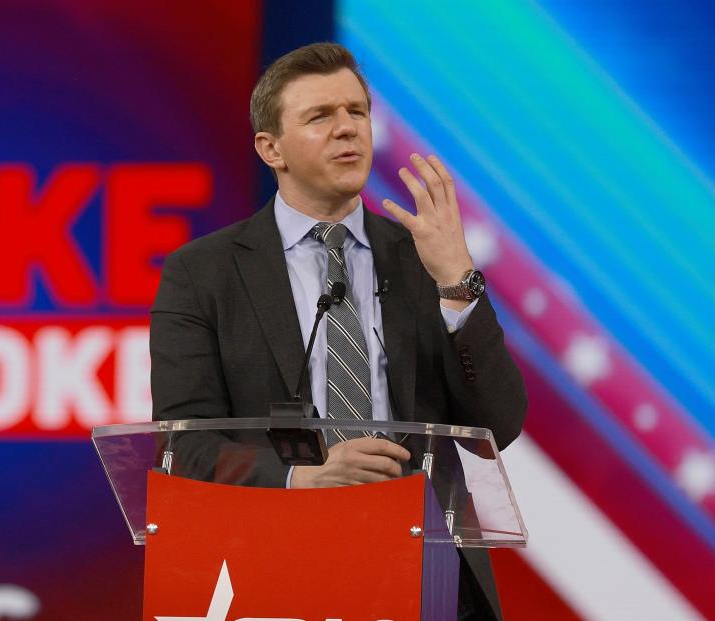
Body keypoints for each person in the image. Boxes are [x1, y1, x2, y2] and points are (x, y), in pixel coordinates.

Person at [149, 42, 527, 620]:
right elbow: (183, 442)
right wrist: (302, 477)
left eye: (357, 112)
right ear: (270, 148)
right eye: (320, 116)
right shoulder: (204, 272)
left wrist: (457, 283)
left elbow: (499, 421)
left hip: (424, 573)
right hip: (271, 571)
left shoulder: (424, 258)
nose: (347, 129)